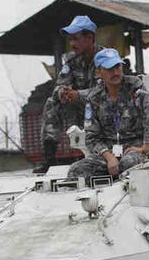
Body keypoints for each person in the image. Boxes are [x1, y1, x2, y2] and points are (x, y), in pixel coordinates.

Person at [67, 49, 149, 182]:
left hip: (135, 150)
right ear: (98, 72)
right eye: (109, 68)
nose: (116, 72)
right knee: (76, 170)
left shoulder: (134, 85)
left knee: (127, 164)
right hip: (108, 152)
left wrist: (146, 146)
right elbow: (91, 137)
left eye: (117, 67)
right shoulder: (94, 98)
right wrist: (109, 157)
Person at [36, 15, 103, 174]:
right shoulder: (72, 61)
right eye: (70, 40)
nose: (72, 44)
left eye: (75, 39)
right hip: (81, 108)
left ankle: (97, 154)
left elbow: (104, 92)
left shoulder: (105, 58)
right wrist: (63, 93)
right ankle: (49, 158)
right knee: (52, 102)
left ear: (89, 38)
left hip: (104, 109)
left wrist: (77, 94)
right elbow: (59, 84)